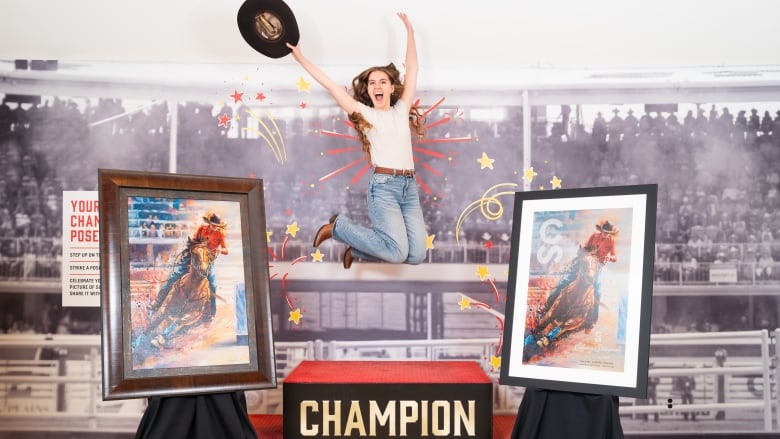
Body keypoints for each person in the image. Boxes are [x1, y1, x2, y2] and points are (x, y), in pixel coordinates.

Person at [286, 12, 427, 269]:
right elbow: (331, 87)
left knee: (416, 255)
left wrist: (409, 30)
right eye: (373, 82)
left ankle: (357, 251)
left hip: (409, 187)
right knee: (397, 253)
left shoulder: (401, 109)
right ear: (369, 90)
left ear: (392, 88)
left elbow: (414, 68)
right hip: (383, 187)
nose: (378, 85)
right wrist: (301, 58)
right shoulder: (365, 114)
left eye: (383, 81)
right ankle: (338, 227)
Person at [149, 212, 228, 320]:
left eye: (217, 226)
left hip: (208, 260)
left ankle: (211, 313)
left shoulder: (220, 234)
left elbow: (226, 250)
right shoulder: (202, 229)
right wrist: (198, 247)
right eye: (213, 225)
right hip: (196, 256)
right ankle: (157, 302)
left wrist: (220, 249)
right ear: (209, 223)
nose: (215, 228)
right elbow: (193, 242)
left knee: (213, 284)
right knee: (175, 275)